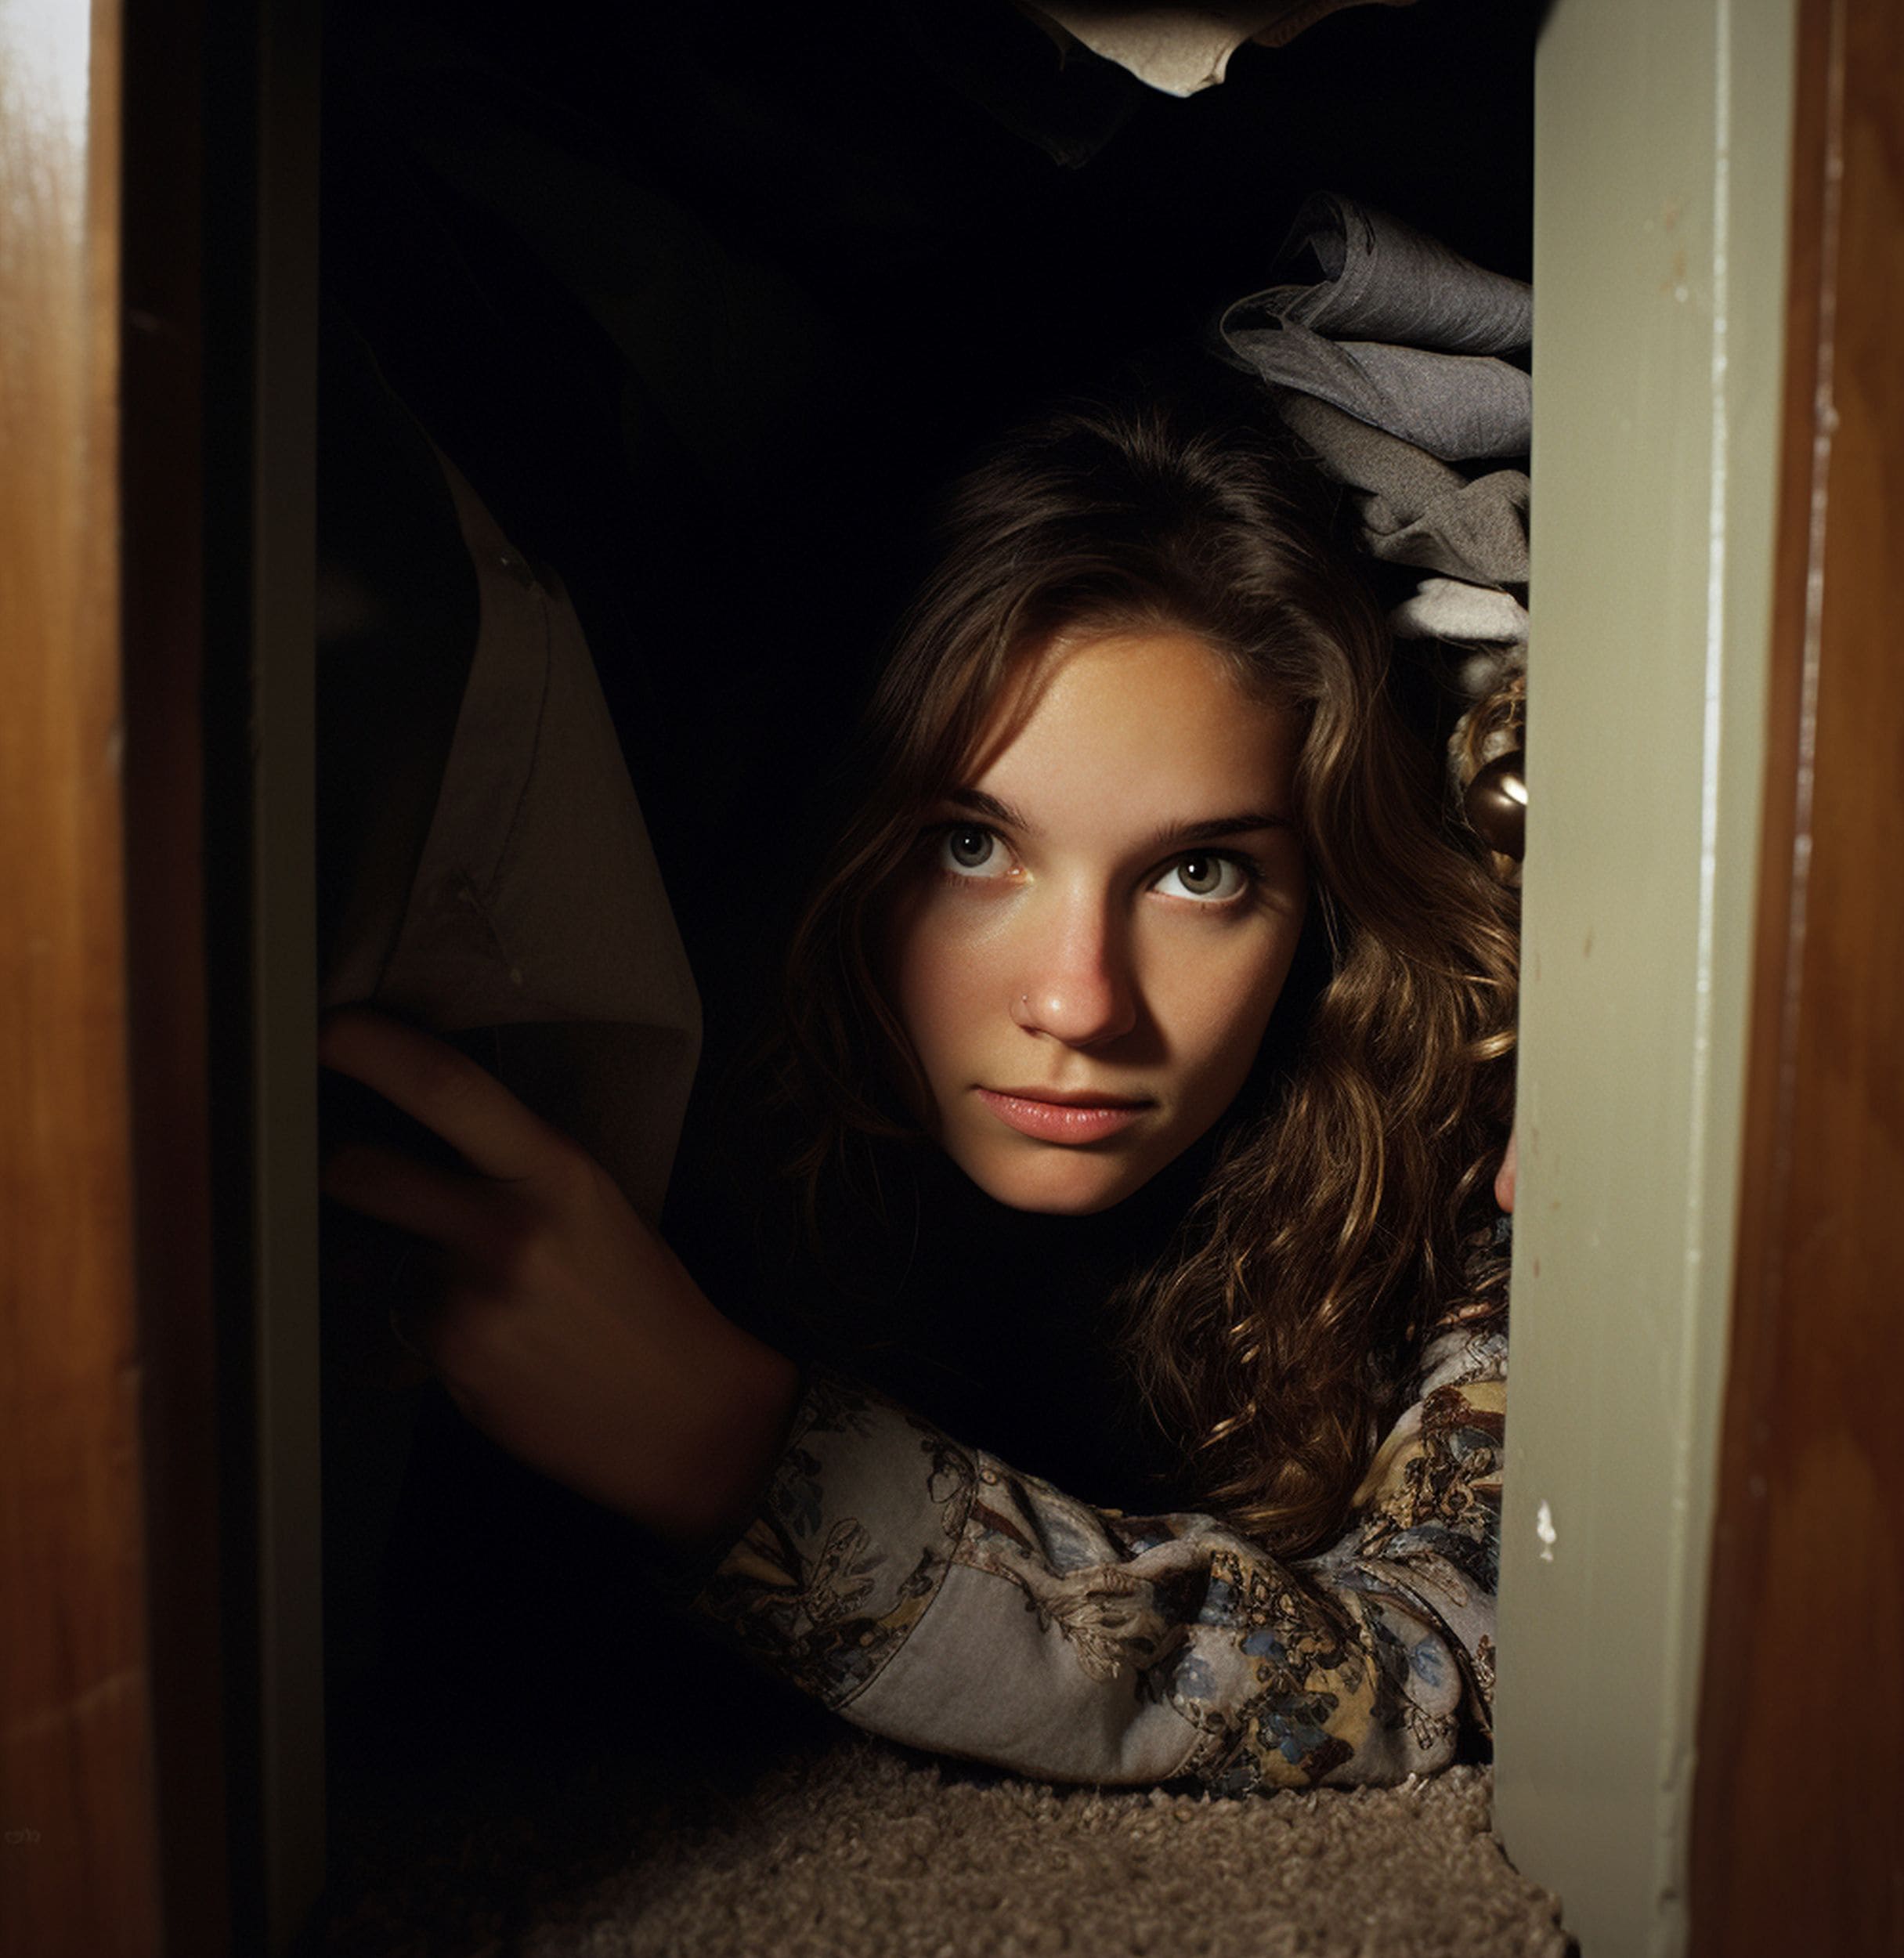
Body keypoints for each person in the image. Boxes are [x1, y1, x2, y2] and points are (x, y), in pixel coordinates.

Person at [320, 389, 1518, 1795]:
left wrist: (740, 1456)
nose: (1079, 1001)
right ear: (845, 844)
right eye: (970, 847)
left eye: (1201, 873)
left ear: (1318, 904)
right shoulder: (663, 1078)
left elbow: (1435, 1659)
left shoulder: (1443, 1134)